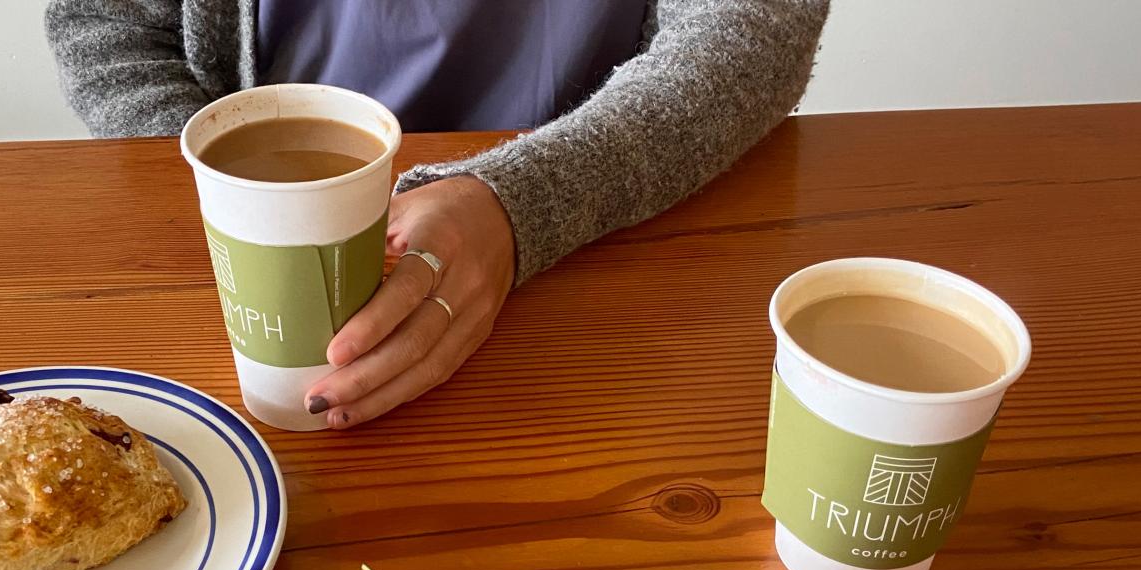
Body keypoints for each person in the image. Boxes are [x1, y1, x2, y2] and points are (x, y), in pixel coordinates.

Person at [46, 1, 829, 429]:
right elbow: (106, 26)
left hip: (594, 290)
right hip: (214, 273)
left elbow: (751, 28)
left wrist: (521, 202)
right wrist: (228, 190)